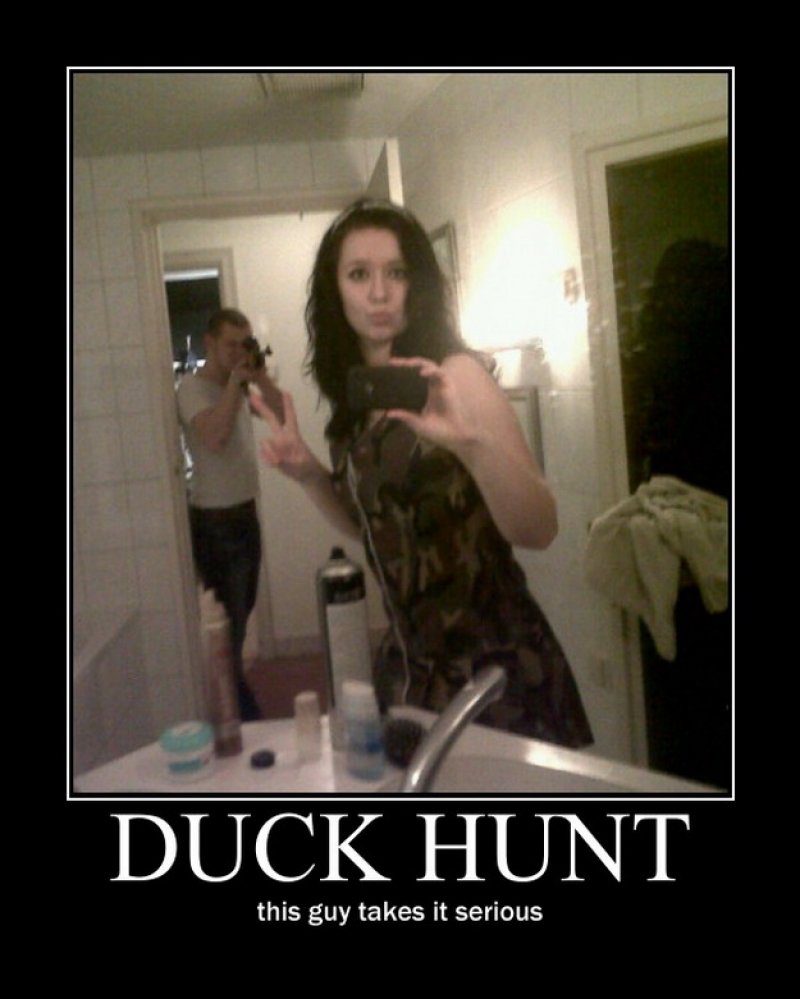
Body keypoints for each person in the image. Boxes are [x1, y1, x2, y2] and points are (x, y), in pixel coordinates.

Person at [250, 199, 593, 747]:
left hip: (496, 679)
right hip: (412, 677)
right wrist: (309, 472)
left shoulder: (455, 377)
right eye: (359, 274)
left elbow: (540, 528)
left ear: (418, 284)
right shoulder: (356, 404)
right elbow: (370, 527)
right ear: (336, 291)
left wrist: (472, 446)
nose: (379, 293)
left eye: (396, 272)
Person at [177, 307, 280, 721]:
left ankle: (234, 703)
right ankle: (238, 713)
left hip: (244, 511)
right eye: (230, 345)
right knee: (229, 625)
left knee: (242, 614)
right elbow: (214, 437)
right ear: (209, 343)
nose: (239, 352)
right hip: (214, 521)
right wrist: (237, 383)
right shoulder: (191, 387)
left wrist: (261, 377)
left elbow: (281, 415)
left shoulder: (237, 386)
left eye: (245, 344)